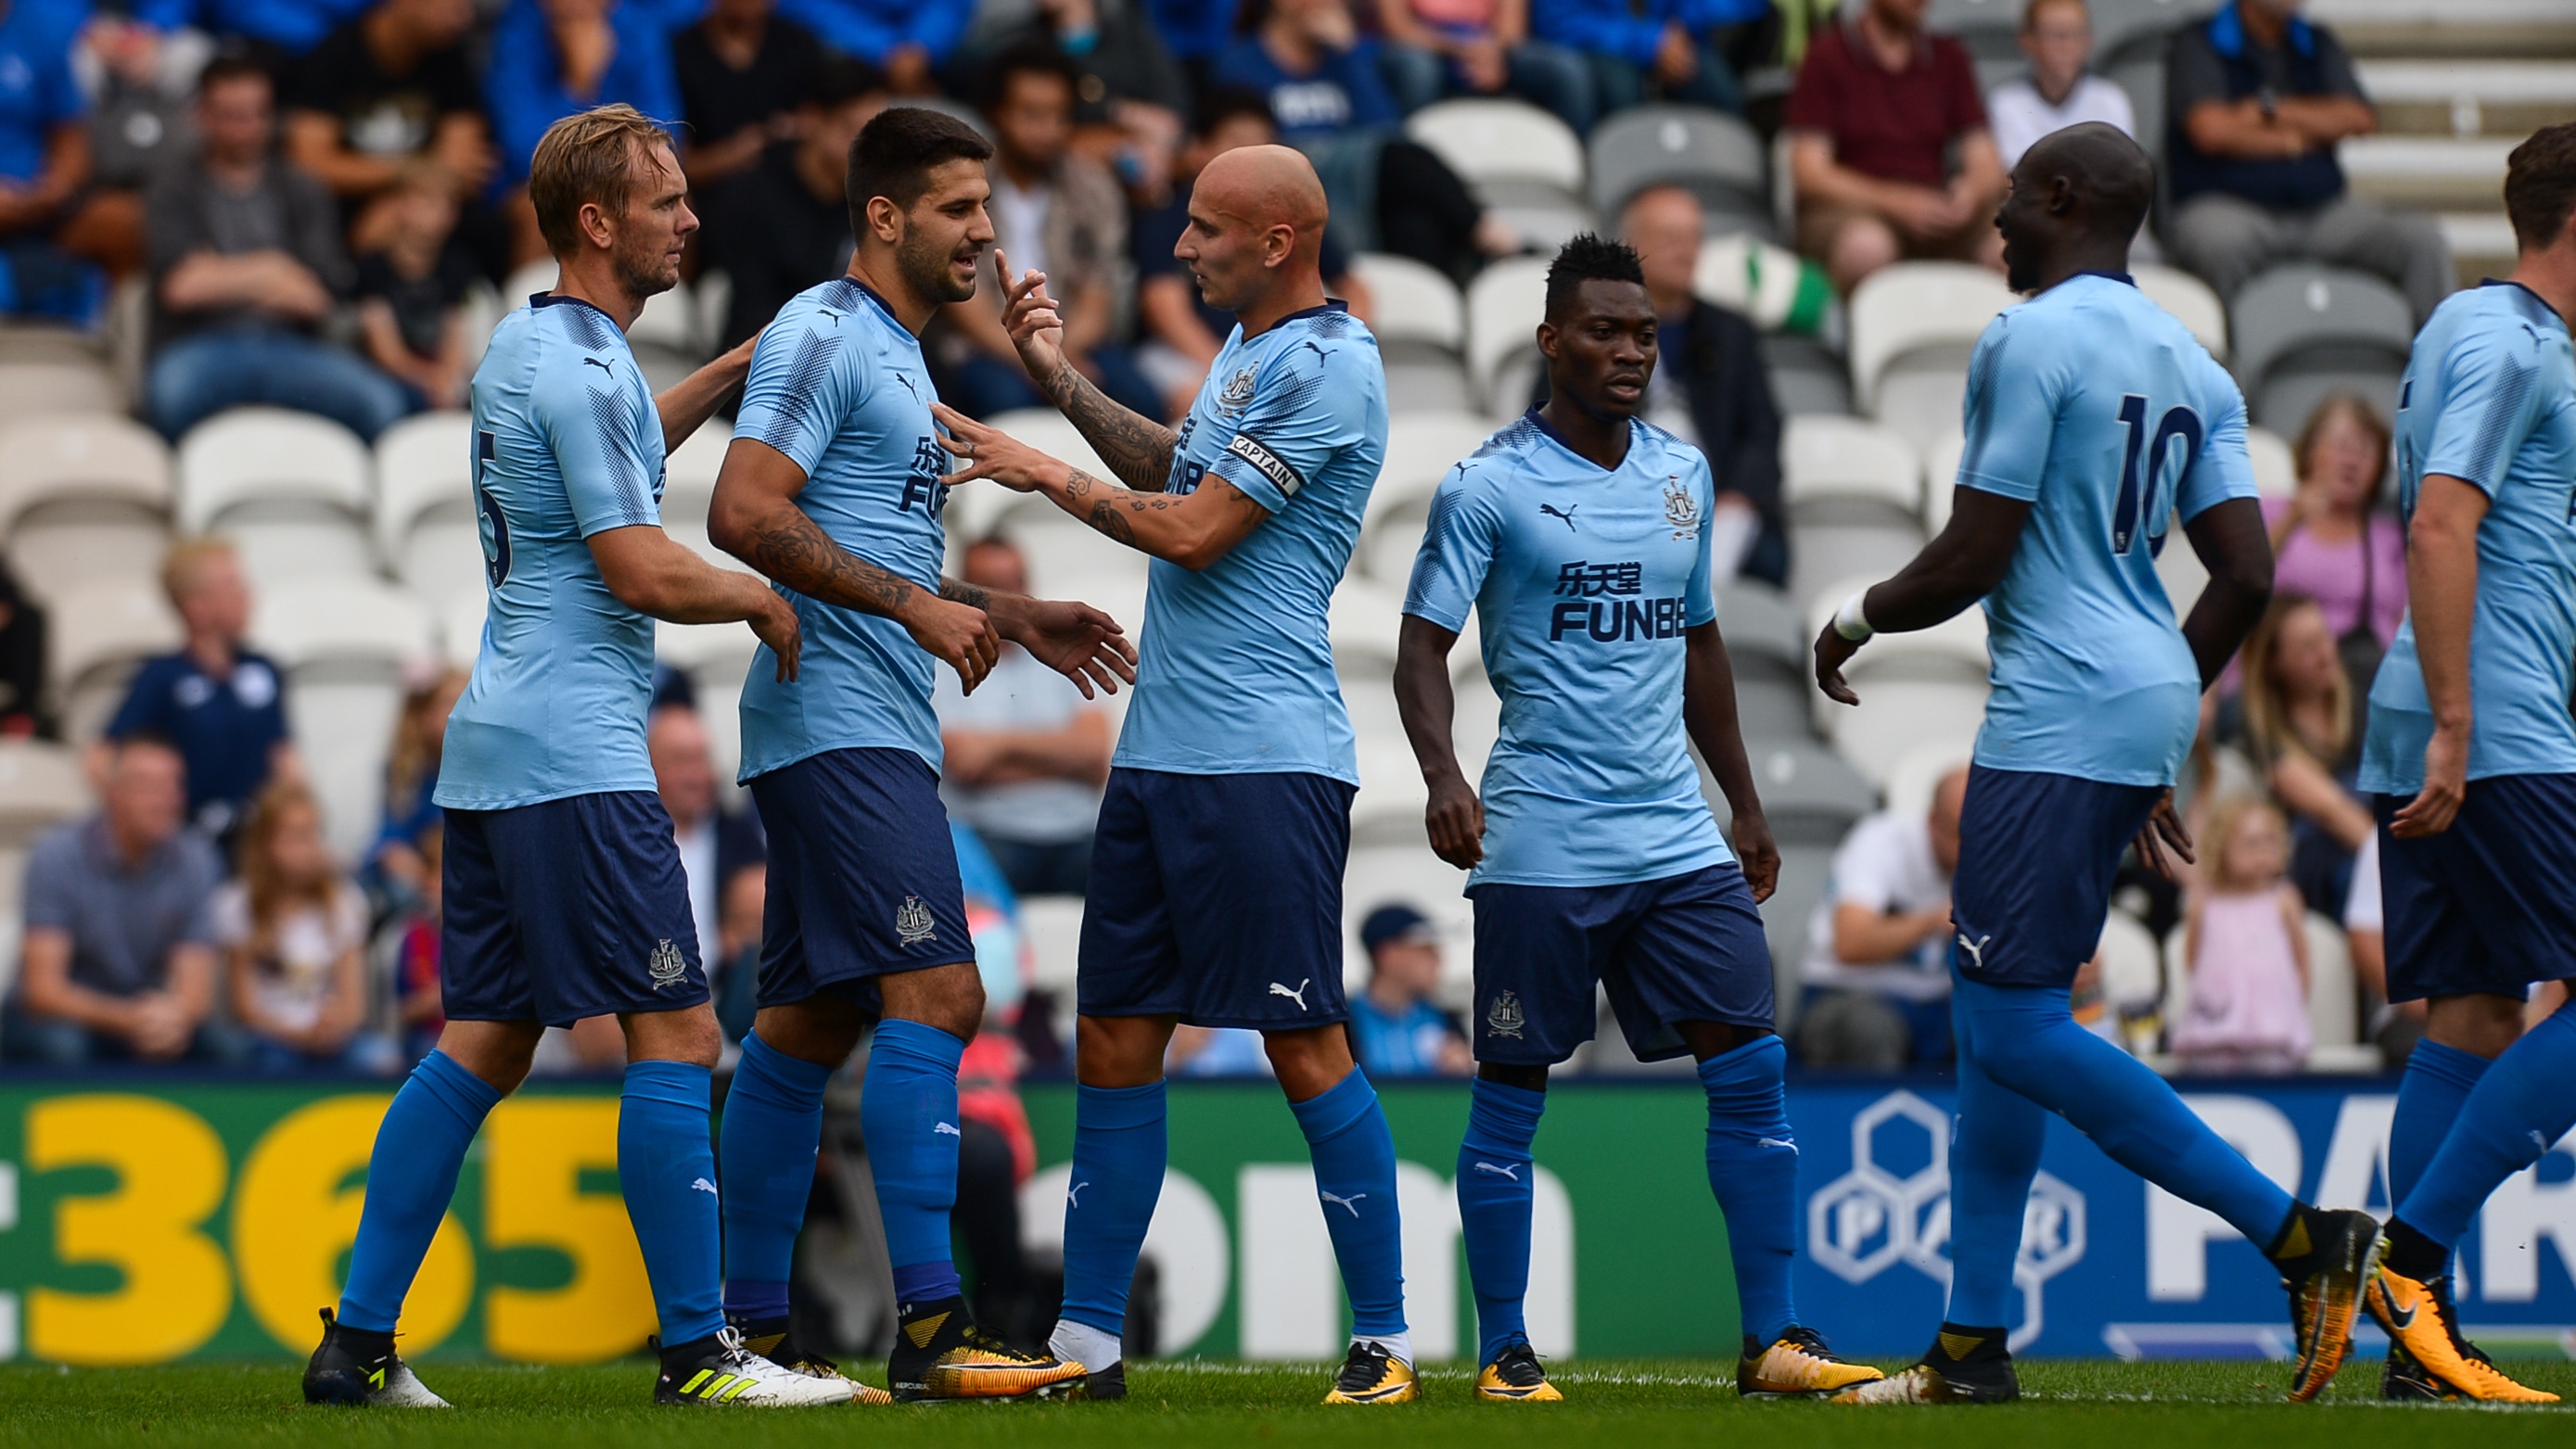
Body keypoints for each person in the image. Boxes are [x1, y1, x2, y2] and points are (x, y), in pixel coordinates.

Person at [1816, 122, 2376, 1405]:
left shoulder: (2028, 337)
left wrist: (1852, 618)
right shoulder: (2194, 359)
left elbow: (1972, 552)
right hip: (2136, 697)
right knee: (1982, 1022)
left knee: (2013, 1017)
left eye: (2012, 200)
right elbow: (2244, 572)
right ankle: (1970, 1342)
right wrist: (2167, 715)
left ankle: (2299, 1233)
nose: (1995, 222)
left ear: (2060, 199)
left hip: (2055, 708)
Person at [302, 104, 841, 1411]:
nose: (690, 216)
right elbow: (632, 559)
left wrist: (737, 364)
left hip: (498, 742)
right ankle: (698, 1353)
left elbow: (615, 453)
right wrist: (764, 597)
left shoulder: (539, 343)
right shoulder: (580, 366)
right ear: (598, 221)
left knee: (484, 1039)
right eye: (666, 200)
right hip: (577, 755)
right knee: (676, 1023)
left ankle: (356, 1344)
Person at [934, 142, 1418, 1405]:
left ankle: (1384, 1338)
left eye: (1204, 229)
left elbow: (1197, 533)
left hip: (1262, 758)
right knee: (1110, 1037)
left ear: (1275, 242)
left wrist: (1042, 468)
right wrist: (1058, 382)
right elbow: (1175, 470)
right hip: (1162, 756)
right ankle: (1087, 1344)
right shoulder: (1251, 350)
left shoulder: (1328, 363)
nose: (1181, 247)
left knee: (1301, 1037)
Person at [1395, 233, 1873, 1404]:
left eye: (1644, 333)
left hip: (1673, 836)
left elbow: (1700, 644)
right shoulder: (1486, 483)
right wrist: (1445, 775)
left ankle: (1774, 1342)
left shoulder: (1683, 476)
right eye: (1604, 331)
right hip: (1541, 842)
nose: (1628, 351)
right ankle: (1505, 1351)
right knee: (1512, 1090)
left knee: (1751, 1068)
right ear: (1550, 339)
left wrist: (1745, 804)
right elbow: (1420, 647)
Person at [702, 103, 1130, 1401]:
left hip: (868, 718)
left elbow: (877, 556)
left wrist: (1004, 610)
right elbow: (741, 510)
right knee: (939, 995)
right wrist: (917, 605)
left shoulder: (893, 356)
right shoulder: (823, 330)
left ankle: (754, 1326)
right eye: (957, 209)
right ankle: (935, 1326)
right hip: (835, 721)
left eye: (987, 209)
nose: (985, 235)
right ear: (882, 215)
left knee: (803, 1024)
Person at [2349, 122, 2576, 1405]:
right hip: (2483, 725)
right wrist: (2454, 720)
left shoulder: (2483, 334)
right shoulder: (2507, 338)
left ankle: (2412, 1350)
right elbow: (2440, 526)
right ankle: (2412, 1259)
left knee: (2474, 1013)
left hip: (2464, 713)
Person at [144, 54, 413, 441]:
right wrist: (274, 270)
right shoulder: (173, 187)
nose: (248, 128)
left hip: (291, 346)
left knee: (381, 404)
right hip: (201, 344)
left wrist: (219, 277)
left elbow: (317, 297)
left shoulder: (301, 186)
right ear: (202, 116)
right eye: (233, 115)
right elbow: (181, 289)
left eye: (259, 113)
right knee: (168, 396)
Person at [2164, 0, 2452, 324]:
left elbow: (2358, 118)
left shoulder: (2317, 40)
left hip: (2322, 213)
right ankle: (2228, 369)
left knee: (2421, 240)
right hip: (2230, 208)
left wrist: (2267, 110)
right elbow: (2211, 131)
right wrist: (2307, 132)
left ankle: (2435, 367)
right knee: (2215, 242)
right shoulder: (2198, 40)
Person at [1218, 0, 1517, 280]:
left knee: (1416, 226)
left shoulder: (1341, 60)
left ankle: (1429, 321)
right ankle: (1487, 232)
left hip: (1359, 179)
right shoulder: (1243, 64)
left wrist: (1349, 55)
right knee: (1402, 160)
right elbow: (1252, 147)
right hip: (1301, 181)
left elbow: (1385, 126)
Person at [938, 41, 1159, 421]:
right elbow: (962, 305)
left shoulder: (1091, 187)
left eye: (1058, 115)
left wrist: (1056, 360)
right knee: (1006, 405)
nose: (1047, 130)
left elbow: (1096, 295)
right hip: (985, 346)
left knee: (1142, 401)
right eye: (1031, 114)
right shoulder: (965, 185)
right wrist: (1034, 361)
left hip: (1074, 343)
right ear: (996, 113)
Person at [1129, 88, 1374, 421]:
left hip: (1276, 354)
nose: (1250, 159)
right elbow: (1165, 309)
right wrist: (1231, 373)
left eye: (1262, 148)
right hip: (1191, 354)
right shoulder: (1167, 217)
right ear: (1199, 148)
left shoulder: (1291, 220)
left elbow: (1354, 288)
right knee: (1201, 401)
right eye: (1237, 144)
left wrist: (1333, 352)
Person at [3, 733, 224, 1064]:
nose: (166, 799)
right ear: (113, 793)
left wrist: (167, 1018)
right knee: (63, 1047)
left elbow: (196, 989)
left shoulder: (198, 858)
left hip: (146, 1014)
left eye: (174, 785)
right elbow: (44, 990)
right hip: (61, 1018)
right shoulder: (56, 854)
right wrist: (129, 1020)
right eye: (149, 785)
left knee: (227, 1048)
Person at [1611, 184, 1783, 588]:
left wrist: (1739, 496)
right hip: (1621, 504)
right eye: (1671, 239)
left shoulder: (1730, 333)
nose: (1686, 251)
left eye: (1694, 238)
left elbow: (1762, 429)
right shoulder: (1588, 334)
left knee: (1765, 559)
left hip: (1716, 503)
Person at [934, 535, 1114, 897]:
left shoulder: (1065, 658)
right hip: (990, 835)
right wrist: (1062, 754)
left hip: (1078, 834)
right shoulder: (941, 666)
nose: (1007, 599)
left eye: (1013, 583)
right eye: (990, 587)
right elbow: (965, 764)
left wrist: (997, 746)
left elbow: (1096, 757)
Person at [1782, 0, 2004, 294]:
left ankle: (1996, 339)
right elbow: (1810, 172)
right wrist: (1895, 202)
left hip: (1932, 205)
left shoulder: (1949, 57)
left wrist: (1969, 193)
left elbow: (1985, 161)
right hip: (1852, 207)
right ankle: (1861, 337)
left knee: (2010, 246)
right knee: (1867, 249)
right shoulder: (1826, 55)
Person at [103, 538, 300, 848]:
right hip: (187, 842)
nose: (247, 596)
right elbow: (103, 755)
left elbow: (285, 759)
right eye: (232, 585)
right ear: (195, 605)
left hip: (257, 843)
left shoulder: (263, 669)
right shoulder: (162, 676)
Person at [280, 0, 496, 258]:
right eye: (450, 7)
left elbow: (464, 162)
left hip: (428, 200)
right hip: (348, 206)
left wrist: (405, 200)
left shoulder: (449, 54)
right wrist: (404, 173)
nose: (464, 19)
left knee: (492, 225)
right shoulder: (336, 53)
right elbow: (309, 163)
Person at [699, 57, 884, 354]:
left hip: (855, 364)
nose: (866, 151)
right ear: (811, 119)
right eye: (851, 131)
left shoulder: (873, 205)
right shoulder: (752, 197)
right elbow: (754, 313)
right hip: (763, 362)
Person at [485, 0, 681, 267]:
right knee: (541, 211)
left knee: (673, 201)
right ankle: (532, 308)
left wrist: (615, 176)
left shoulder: (636, 30)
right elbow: (526, 150)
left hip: (625, 177)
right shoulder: (518, 32)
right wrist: (578, 86)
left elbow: (667, 133)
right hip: (533, 184)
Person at [1795, 766, 1966, 1070]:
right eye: (1960, 833)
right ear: (1932, 823)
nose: (1973, 848)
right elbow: (1850, 944)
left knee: (1999, 1026)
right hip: (1846, 995)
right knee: (1872, 1028)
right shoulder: (1880, 840)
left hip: (1940, 1005)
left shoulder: (1999, 857)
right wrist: (1932, 922)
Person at [217, 781, 394, 1073]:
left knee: (380, 1057)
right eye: (297, 837)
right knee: (267, 1061)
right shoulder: (238, 906)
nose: (310, 848)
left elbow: (354, 1005)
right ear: (265, 844)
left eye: (315, 834)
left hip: (331, 1038)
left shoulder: (346, 902)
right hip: (271, 1038)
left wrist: (334, 1025)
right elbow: (245, 1010)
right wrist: (299, 1036)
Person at [2230, 593, 2368, 915]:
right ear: (2273, 663)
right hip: (2331, 863)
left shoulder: (2361, 689)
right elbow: (2331, 810)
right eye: (2307, 647)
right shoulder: (2260, 733)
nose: (2325, 655)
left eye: (2325, 638)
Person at [2171, 794, 2311, 1074]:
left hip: (2273, 1029)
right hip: (2213, 1030)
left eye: (2270, 841)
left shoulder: (2284, 900)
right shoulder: (2203, 902)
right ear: (2221, 846)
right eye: (2250, 843)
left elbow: (2301, 960)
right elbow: (2193, 958)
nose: (2262, 852)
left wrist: (2292, 1005)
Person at [0, 0, 114, 322]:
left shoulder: (44, 23)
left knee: (119, 221)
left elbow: (69, 134)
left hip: (33, 210)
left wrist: (55, 187)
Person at [2267, 393, 2404, 650]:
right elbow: (2240, 584)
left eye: (2365, 449)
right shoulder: (2271, 512)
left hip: (2365, 676)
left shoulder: (2391, 537)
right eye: (2341, 445)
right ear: (2309, 450)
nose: (2352, 460)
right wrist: (2293, 518)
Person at [647, 702, 764, 984]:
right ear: (649, 767)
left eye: (702, 759)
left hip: (724, 991)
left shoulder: (737, 836)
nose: (697, 776)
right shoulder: (624, 843)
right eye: (681, 760)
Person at [352, 164, 477, 412]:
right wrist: (431, 380)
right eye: (428, 203)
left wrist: (447, 379)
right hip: (390, 376)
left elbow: (455, 336)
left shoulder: (458, 266)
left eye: (449, 205)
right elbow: (386, 353)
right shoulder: (373, 268)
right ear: (398, 205)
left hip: (441, 377)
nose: (440, 215)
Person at [1377, 0, 1594, 134]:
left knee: (1565, 70)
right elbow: (1398, 27)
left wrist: (1492, 55)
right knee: (1417, 70)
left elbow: (1511, 30)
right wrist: (1460, 48)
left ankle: (1575, 173)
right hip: (1425, 46)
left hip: (1491, 46)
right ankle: (1409, 166)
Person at [671, 0, 822, 191]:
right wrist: (733, 153)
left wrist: (790, 128)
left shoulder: (799, 44)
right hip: (713, 196)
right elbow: (679, 163)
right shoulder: (678, 53)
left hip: (790, 190)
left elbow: (823, 124)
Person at [1531, 0, 1757, 116]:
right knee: (1621, 90)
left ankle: (1711, 192)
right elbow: (1558, 22)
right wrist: (1650, 43)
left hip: (1671, 41)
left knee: (1718, 91)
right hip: (1594, 46)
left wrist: (1681, 29)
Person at [1984, 0, 2134, 169]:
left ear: (2089, 40)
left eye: (2075, 33)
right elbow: (2008, 178)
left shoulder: (2111, 100)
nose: (2065, 45)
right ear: (2027, 39)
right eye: (2053, 34)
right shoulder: (2005, 102)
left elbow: (2121, 174)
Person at [1346, 904, 1469, 1079]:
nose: (1438, 958)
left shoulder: (1449, 1021)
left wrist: (1461, 1074)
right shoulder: (1340, 1025)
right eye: (1424, 948)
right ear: (1388, 953)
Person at [774, 0, 965, 93]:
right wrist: (886, 51)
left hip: (925, 47)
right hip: (844, 44)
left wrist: (922, 46)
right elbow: (806, 6)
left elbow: (947, 4)